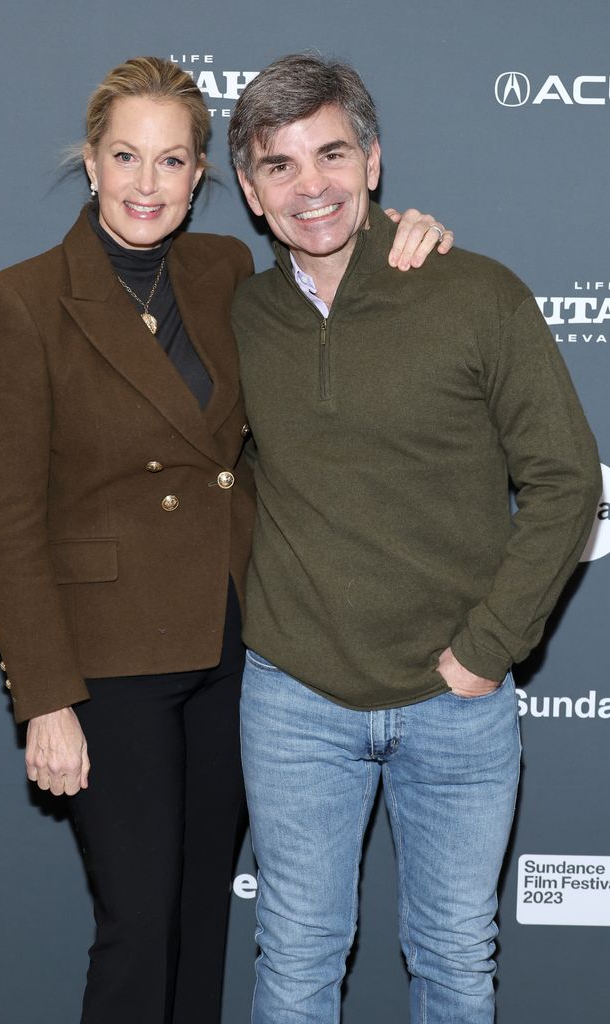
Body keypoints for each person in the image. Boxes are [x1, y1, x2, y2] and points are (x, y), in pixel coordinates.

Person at [0, 56, 452, 1024]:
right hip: (109, 661)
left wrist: (410, 231)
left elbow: (334, 291)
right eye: (125, 157)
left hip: (234, 646)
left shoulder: (221, 267)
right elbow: (9, 524)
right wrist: (46, 700)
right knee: (139, 921)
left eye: (172, 161)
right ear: (91, 164)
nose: (147, 184)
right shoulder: (21, 301)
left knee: (199, 914)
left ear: (201, 178)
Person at [228, 53, 601, 1024]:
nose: (310, 185)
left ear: (374, 161)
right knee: (297, 957)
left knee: (452, 960)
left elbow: (565, 482)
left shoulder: (473, 292)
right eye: (279, 165)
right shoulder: (232, 312)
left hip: (455, 705)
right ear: (247, 189)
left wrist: (484, 651)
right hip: (294, 698)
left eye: (331, 154)